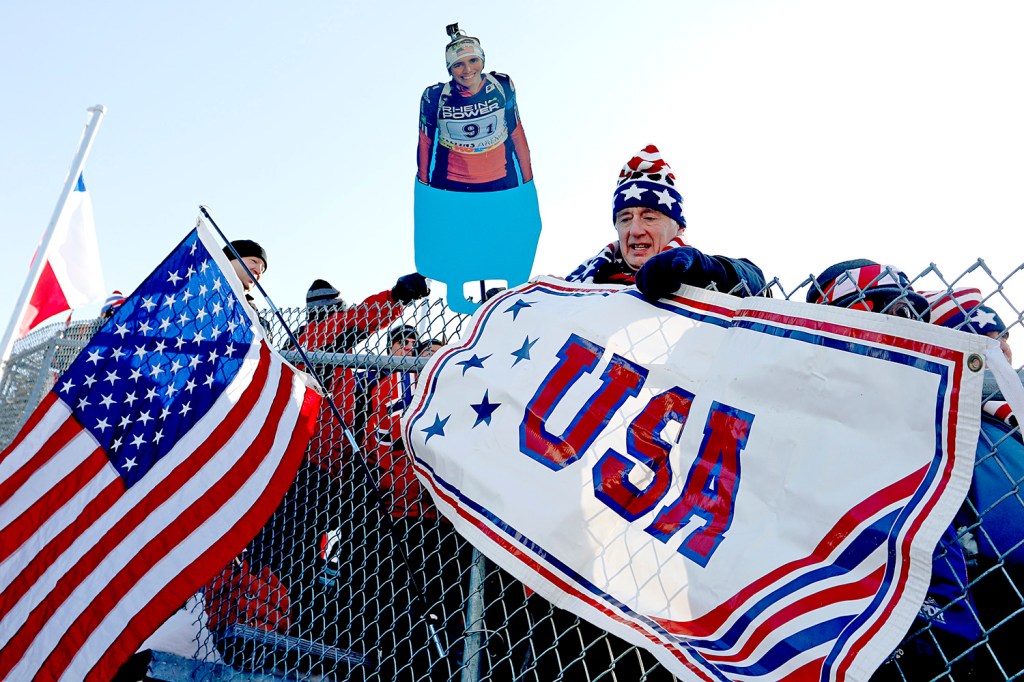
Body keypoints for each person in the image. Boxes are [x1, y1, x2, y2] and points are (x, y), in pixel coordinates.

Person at [806, 260, 989, 680]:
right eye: (892, 316)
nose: (908, 336)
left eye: (912, 320)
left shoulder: (932, 431)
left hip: (927, 641)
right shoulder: (795, 422)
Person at [566, 145, 765, 299]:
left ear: (679, 227)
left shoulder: (697, 274)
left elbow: (757, 282)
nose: (635, 231)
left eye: (649, 217)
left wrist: (707, 269)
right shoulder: (586, 281)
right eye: (625, 219)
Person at [418, 23, 533, 191]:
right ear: (450, 69)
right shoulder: (434, 96)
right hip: (450, 184)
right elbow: (425, 142)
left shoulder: (502, 84)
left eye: (473, 60)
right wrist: (423, 186)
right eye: (458, 64)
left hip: (501, 181)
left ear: (482, 60)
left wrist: (528, 182)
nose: (468, 69)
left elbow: (517, 133)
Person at [222, 239, 268, 307]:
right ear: (230, 259)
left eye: (262, 270)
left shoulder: (250, 311)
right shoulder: (206, 284)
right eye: (254, 261)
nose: (258, 271)